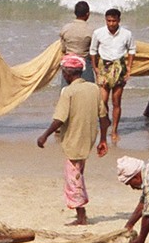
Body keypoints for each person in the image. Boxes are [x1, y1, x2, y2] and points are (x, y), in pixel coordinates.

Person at [35, 56, 109, 226]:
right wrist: (103, 140)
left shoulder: (68, 92)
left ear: (67, 74)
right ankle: (81, 214)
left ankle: (81, 216)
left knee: (73, 178)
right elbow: (104, 117)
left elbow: (59, 118)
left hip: (73, 140)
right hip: (88, 138)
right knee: (78, 173)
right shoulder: (94, 89)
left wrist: (45, 135)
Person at [91, 8, 138, 142]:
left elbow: (132, 49)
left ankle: (114, 131)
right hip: (104, 68)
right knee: (103, 102)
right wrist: (95, 67)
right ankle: (105, 123)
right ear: (105, 20)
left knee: (116, 101)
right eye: (109, 21)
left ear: (119, 20)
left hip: (119, 68)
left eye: (114, 21)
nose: (111, 24)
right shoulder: (98, 33)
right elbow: (93, 50)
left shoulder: (126, 34)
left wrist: (129, 67)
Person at [59, 1, 95, 84]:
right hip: (84, 65)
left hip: (68, 65)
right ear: (88, 14)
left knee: (66, 92)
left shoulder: (66, 28)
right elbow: (93, 51)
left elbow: (63, 49)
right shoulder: (91, 31)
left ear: (75, 13)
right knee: (87, 92)